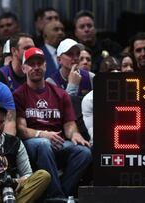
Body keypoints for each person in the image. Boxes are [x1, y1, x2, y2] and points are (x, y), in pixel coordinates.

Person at [14, 47, 92, 199]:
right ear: (24, 68)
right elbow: (21, 129)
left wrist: (76, 135)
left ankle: (61, 194)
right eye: (31, 64)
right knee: (43, 144)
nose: (36, 67)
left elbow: (69, 125)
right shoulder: (18, 94)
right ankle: (56, 196)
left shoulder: (60, 94)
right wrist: (43, 134)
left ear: (45, 66)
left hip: (58, 141)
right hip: (32, 142)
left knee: (84, 152)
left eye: (39, 63)